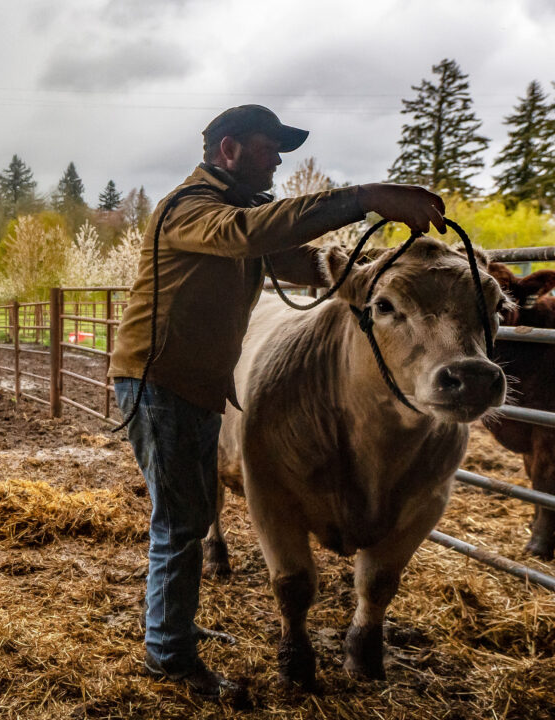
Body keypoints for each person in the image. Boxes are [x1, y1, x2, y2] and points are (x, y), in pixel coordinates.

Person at [107, 105, 446, 701]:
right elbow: (251, 237)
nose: (279, 160)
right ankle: (169, 656)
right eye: (270, 148)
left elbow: (310, 264)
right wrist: (366, 196)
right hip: (159, 381)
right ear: (229, 149)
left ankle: (172, 628)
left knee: (194, 507)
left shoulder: (243, 215)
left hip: (195, 382)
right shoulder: (191, 210)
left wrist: (383, 276)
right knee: (182, 521)